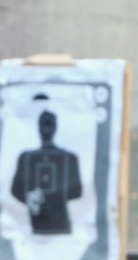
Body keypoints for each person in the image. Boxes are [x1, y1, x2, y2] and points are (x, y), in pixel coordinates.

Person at [10, 101, 83, 235]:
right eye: (45, 124)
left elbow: (77, 192)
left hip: (59, 226)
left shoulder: (69, 158)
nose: (46, 129)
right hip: (37, 227)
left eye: (48, 124)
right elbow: (16, 190)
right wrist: (31, 198)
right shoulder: (26, 158)